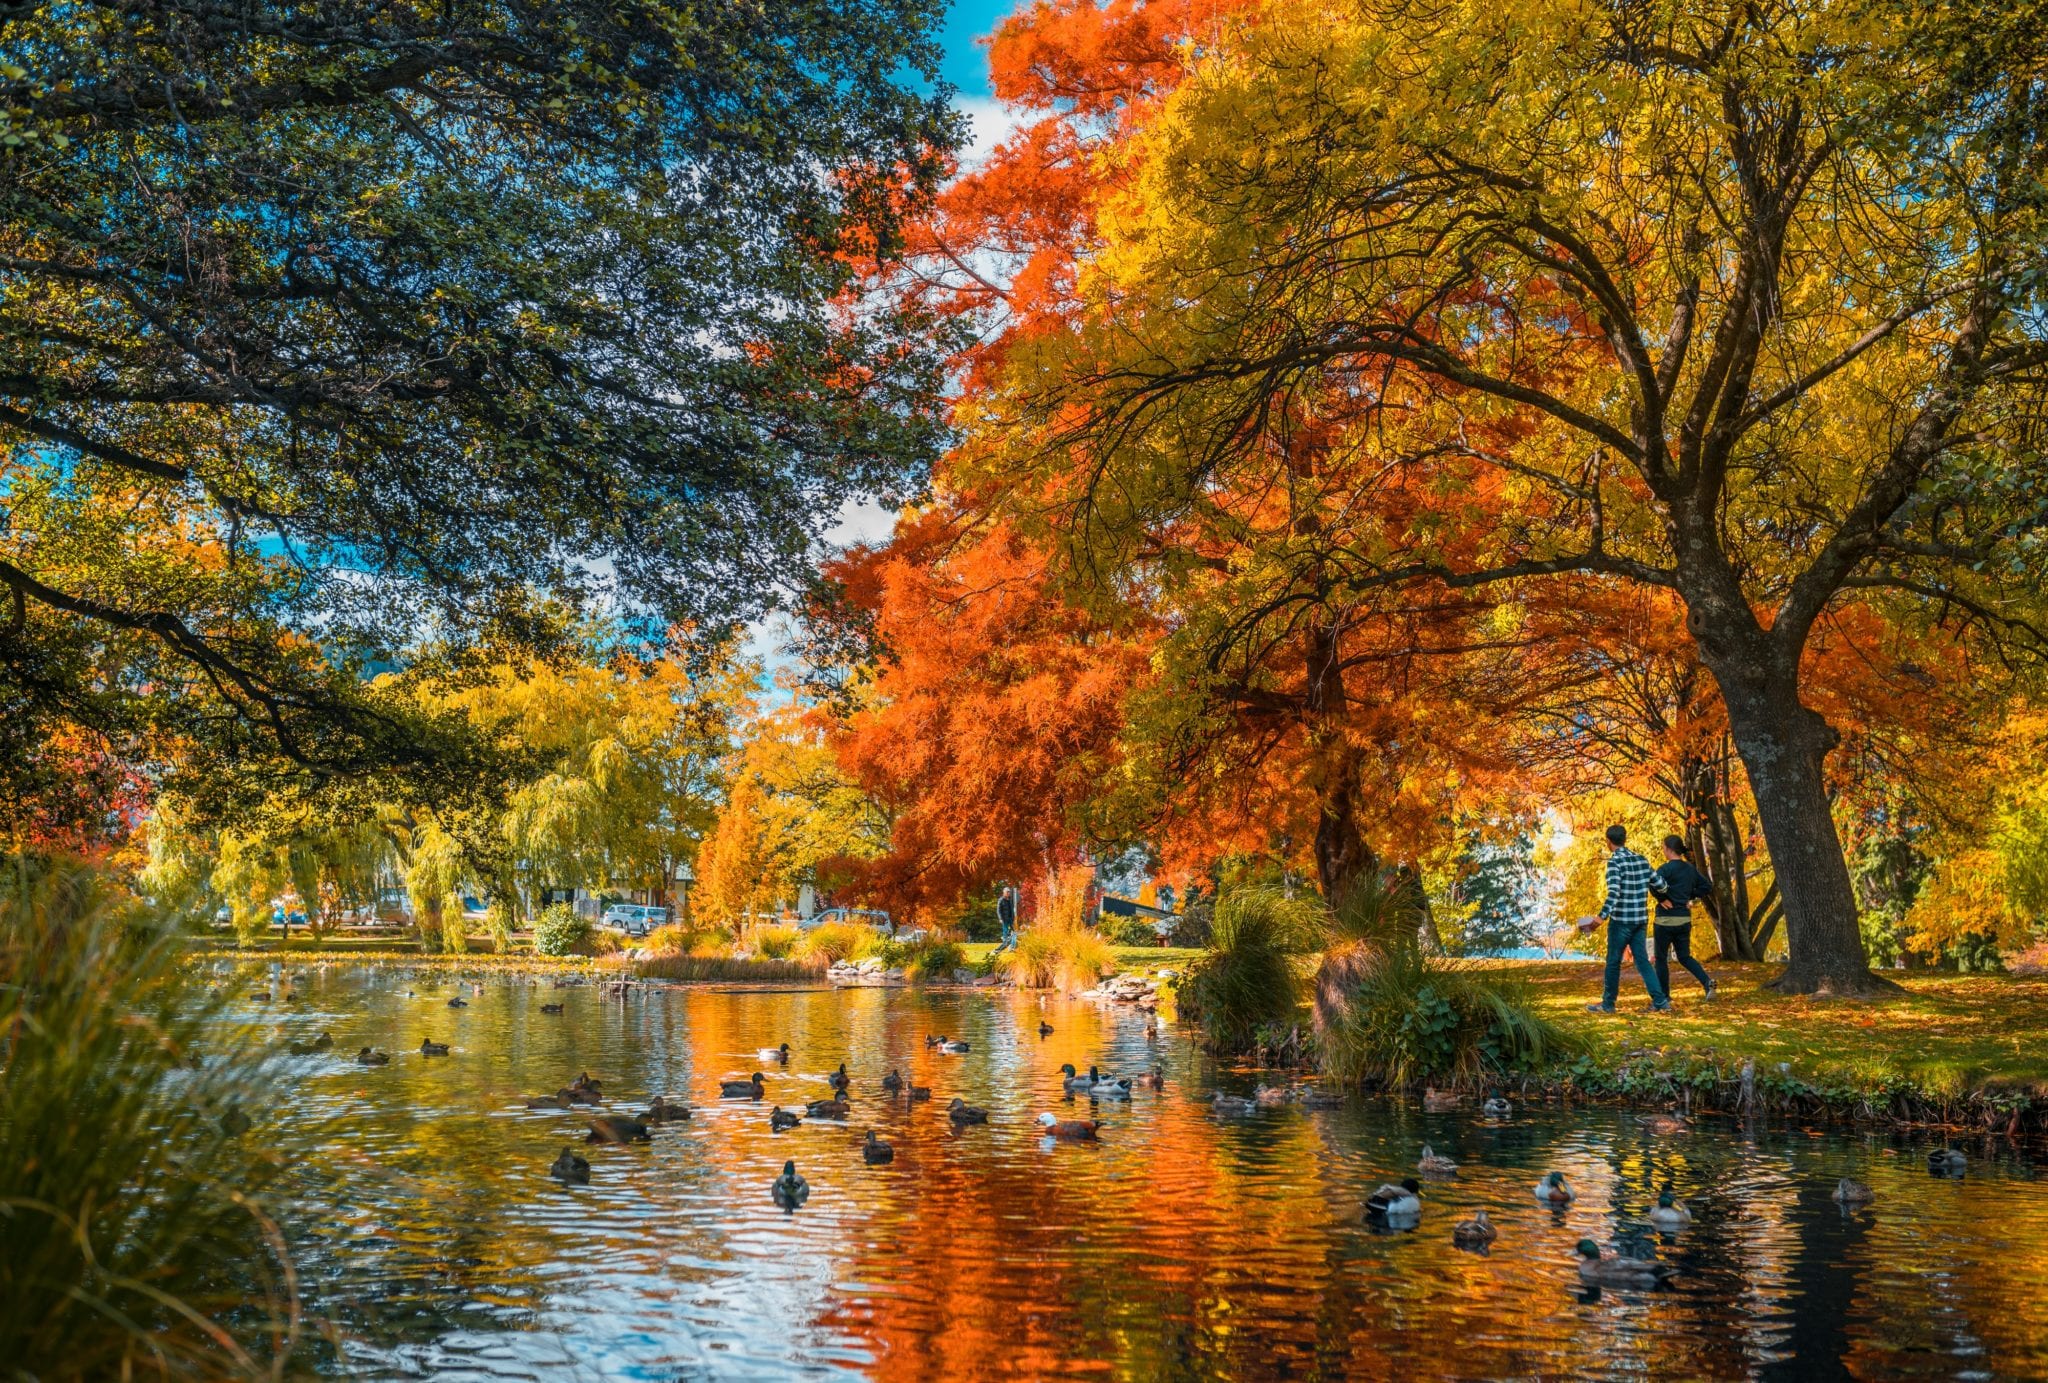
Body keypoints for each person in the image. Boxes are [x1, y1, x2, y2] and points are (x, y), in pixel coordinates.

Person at [1576, 824, 1670, 1013]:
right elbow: (1662, 885)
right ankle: (1661, 1002)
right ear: (1625, 839)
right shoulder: (1641, 860)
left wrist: (1600, 917)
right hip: (1640, 920)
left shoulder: (1614, 863)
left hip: (1621, 922)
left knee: (1613, 962)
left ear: (1608, 841)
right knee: (1642, 961)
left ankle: (1608, 1004)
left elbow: (1614, 892)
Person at [1652, 834, 1718, 1000]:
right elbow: (1707, 886)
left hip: (1665, 920)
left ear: (1668, 849)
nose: (1663, 850)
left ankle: (1664, 996)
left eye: (1663, 847)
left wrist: (1662, 899)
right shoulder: (1689, 869)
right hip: (1683, 919)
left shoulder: (1664, 869)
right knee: (1684, 957)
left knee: (1660, 958)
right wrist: (1690, 896)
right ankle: (1707, 982)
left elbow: (1652, 884)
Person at [994, 886, 1017, 953]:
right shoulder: (1001, 900)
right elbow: (998, 910)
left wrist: (1013, 918)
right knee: (1006, 933)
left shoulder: (1009, 900)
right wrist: (1000, 918)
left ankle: (1012, 947)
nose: (1008, 893)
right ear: (1004, 893)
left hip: (1010, 920)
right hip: (1004, 920)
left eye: (1009, 892)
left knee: (1013, 933)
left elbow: (1012, 910)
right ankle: (1004, 945)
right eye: (1007, 892)